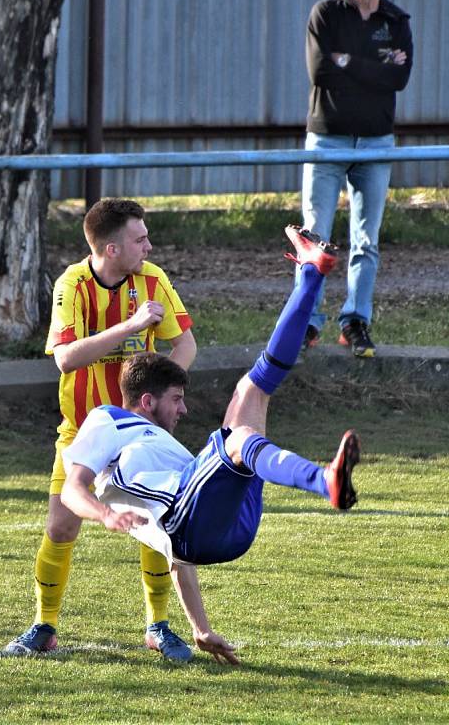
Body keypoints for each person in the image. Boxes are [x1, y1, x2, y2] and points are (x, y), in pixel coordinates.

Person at [60, 225, 360, 665]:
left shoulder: (169, 450)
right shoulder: (108, 420)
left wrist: (200, 628)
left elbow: (180, 559)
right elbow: (72, 489)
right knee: (238, 438)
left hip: (217, 528)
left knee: (254, 389)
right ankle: (325, 481)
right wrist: (105, 513)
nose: (183, 410)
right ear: (145, 401)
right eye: (176, 399)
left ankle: (310, 275)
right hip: (193, 527)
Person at [2, 198, 197, 662]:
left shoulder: (153, 279)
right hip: (83, 432)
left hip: (140, 435)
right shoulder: (71, 285)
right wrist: (130, 327)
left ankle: (159, 626)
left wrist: (163, 391)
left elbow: (184, 342)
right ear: (111, 249)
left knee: (157, 528)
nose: (148, 245)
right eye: (139, 239)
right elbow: (66, 358)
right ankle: (44, 626)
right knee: (61, 526)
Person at [297, 0, 413, 357]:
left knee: (366, 240)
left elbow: (398, 79)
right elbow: (320, 70)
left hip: (376, 142)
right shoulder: (325, 14)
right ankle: (304, 324)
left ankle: (356, 321)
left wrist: (349, 62)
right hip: (327, 138)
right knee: (315, 237)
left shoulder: (397, 21)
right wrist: (375, 66)